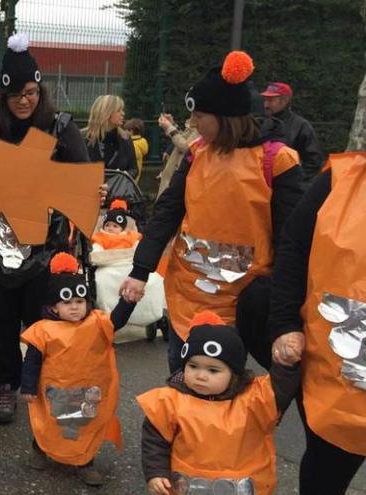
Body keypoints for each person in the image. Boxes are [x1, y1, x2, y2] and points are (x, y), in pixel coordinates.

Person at [118, 51, 303, 373]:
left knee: (220, 387)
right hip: (186, 295)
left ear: (226, 116)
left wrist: (288, 312)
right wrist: (140, 269)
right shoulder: (196, 154)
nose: (192, 124)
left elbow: (293, 240)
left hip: (239, 303)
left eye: (200, 116)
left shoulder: (277, 162)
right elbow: (167, 212)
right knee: (180, 378)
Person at [0, 33, 93, 425]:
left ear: (40, 90)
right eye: (16, 95)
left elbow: (84, 178)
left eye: (31, 92)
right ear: (3, 97)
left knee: (46, 318)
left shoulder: (60, 128)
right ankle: (6, 386)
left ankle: (49, 382)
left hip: (47, 246)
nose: (24, 101)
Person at [268, 153, 366, 495]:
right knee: (325, 477)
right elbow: (293, 246)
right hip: (336, 379)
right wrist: (284, 324)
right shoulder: (340, 180)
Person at [137, 311, 300, 495]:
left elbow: (279, 389)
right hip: (188, 488)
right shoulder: (169, 402)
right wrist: (156, 473)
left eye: (213, 370)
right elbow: (155, 443)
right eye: (193, 366)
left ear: (234, 374)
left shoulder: (253, 400)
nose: (200, 375)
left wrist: (286, 366)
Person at [21, 253, 136, 487]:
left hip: (88, 388)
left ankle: (85, 461)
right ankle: (40, 448)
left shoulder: (96, 322)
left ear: (88, 302)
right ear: (54, 306)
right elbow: (32, 360)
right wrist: (28, 386)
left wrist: (129, 300)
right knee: (53, 423)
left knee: (85, 422)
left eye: (79, 301)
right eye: (67, 302)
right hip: (56, 388)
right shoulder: (43, 329)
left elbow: (118, 320)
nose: (74, 307)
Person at [261, 82, 323, 183]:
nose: (266, 105)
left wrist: (295, 181)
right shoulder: (260, 123)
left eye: (271, 100)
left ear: (284, 101)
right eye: (265, 100)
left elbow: (313, 161)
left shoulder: (301, 126)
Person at [82, 95, 138, 176]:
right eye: (119, 110)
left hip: (116, 188)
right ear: (106, 112)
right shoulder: (82, 138)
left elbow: (134, 169)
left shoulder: (125, 139)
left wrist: (125, 176)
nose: (123, 113)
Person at [155, 113, 198, 198]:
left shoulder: (200, 124)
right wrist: (172, 125)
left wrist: (169, 128)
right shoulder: (198, 120)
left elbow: (186, 147)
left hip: (178, 179)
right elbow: (186, 138)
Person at [123, 117, 148, 182]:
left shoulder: (132, 145)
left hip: (129, 178)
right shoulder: (142, 142)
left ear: (131, 131)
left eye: (125, 130)